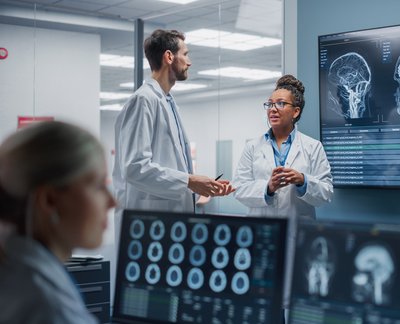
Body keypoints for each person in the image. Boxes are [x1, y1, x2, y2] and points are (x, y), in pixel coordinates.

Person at [0, 121, 116, 323]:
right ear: (49, 200)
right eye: (98, 185)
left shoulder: (12, 263)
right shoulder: (49, 307)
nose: (114, 201)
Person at [113, 29, 234, 219]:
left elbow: (171, 167)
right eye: (185, 54)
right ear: (169, 57)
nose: (189, 62)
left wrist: (200, 185)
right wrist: (189, 181)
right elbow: (134, 167)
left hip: (169, 217)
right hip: (149, 218)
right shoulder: (144, 100)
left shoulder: (168, 102)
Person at [233, 74, 333, 218]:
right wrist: (268, 187)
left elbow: (326, 193)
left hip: (297, 229)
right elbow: (239, 189)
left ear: (296, 111)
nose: (272, 109)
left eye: (280, 103)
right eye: (270, 104)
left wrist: (303, 181)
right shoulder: (252, 147)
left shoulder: (313, 146)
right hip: (262, 228)